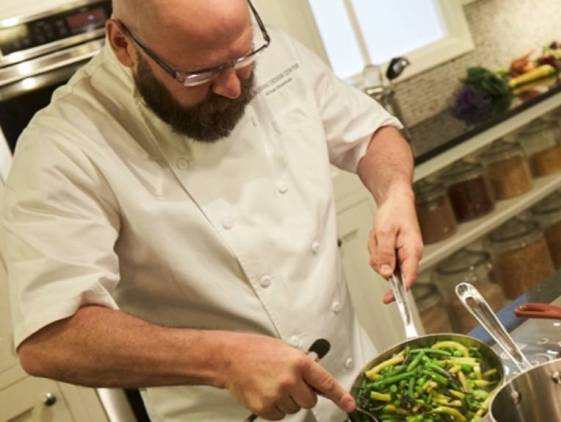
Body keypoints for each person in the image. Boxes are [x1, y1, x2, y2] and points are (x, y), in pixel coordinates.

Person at [0, 0, 423, 420]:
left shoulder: (275, 51)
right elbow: (51, 339)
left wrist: (395, 195)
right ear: (123, 44)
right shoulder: (61, 146)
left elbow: (371, 132)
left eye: (243, 57)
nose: (234, 86)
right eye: (199, 73)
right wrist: (222, 359)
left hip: (357, 388)